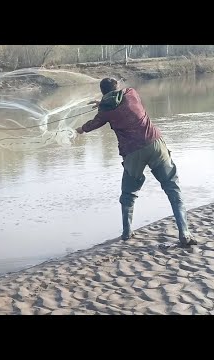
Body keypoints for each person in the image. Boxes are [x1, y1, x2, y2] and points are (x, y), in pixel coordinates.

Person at [76, 77, 197, 247]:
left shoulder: (105, 111)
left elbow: (92, 125)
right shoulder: (131, 93)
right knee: (172, 188)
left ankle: (127, 233)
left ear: (103, 93)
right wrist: (104, 103)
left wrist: (80, 129)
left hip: (132, 153)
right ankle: (184, 233)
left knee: (128, 194)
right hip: (154, 144)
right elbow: (120, 98)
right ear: (118, 87)